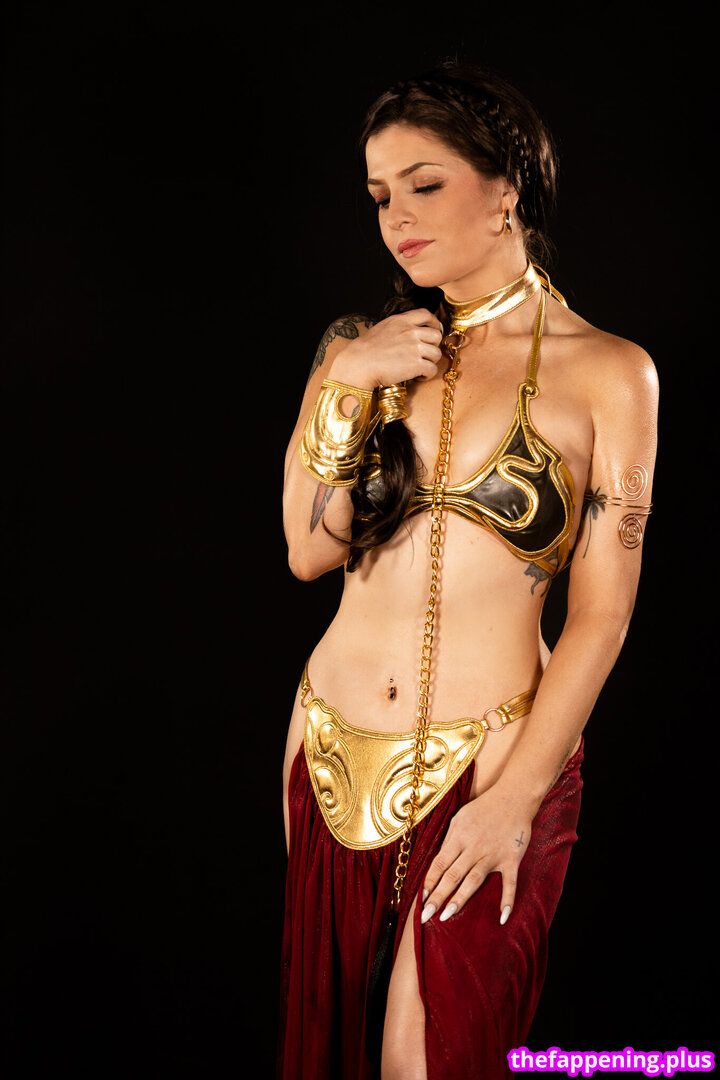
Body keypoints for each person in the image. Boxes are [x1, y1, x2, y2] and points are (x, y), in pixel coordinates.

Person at [277, 62, 658, 1080]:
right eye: (379, 196)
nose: (396, 217)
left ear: (506, 189)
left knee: (426, 1056)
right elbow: (309, 550)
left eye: (424, 183)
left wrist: (514, 799)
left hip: (493, 760)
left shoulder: (610, 372)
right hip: (329, 747)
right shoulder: (361, 348)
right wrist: (347, 384)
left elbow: (603, 615)